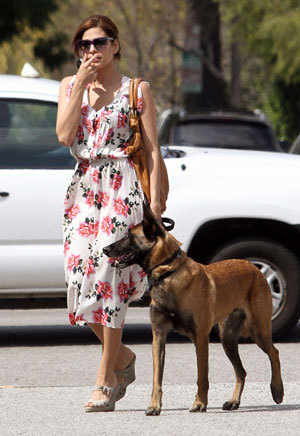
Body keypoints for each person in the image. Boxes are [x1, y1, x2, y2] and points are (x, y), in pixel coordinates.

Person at [56, 15, 162, 412]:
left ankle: (105, 379)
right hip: (83, 189)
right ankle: (123, 358)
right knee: (78, 278)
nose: (92, 51)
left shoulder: (137, 90)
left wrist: (157, 201)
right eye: (84, 45)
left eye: (100, 43)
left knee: (109, 277)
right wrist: (81, 84)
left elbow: (152, 149)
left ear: (116, 45)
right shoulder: (70, 86)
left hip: (123, 187)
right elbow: (66, 136)